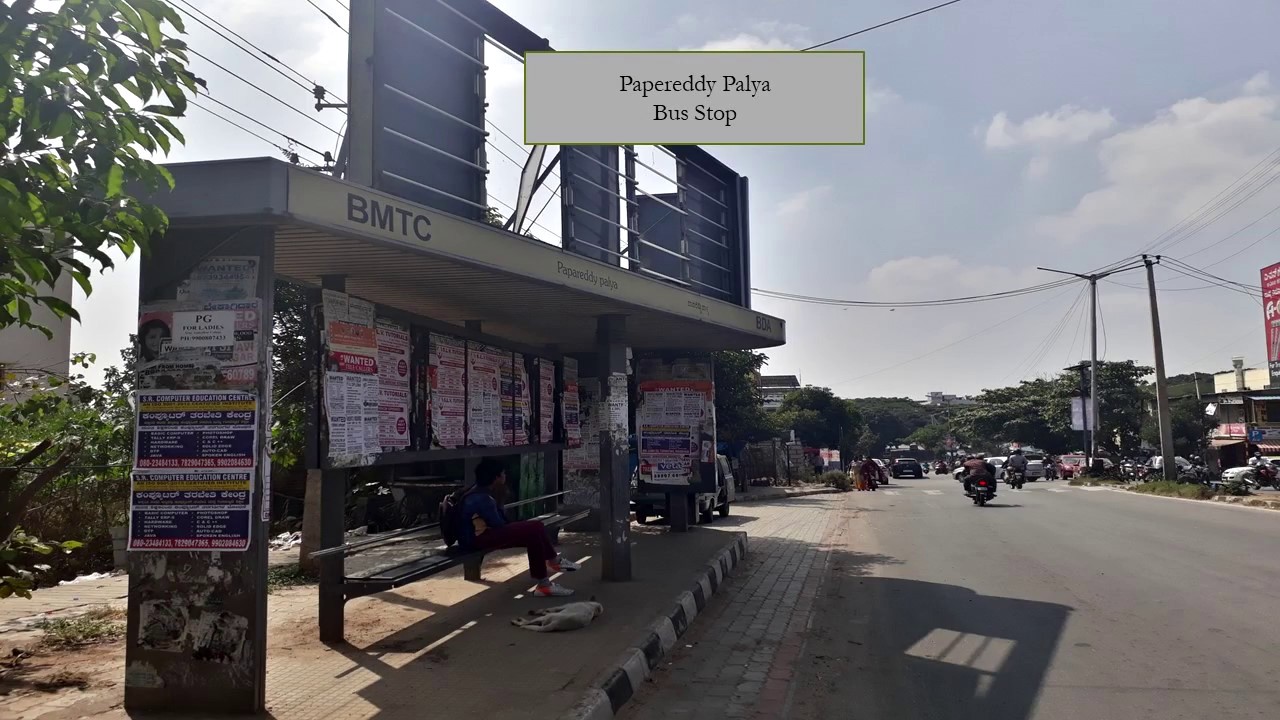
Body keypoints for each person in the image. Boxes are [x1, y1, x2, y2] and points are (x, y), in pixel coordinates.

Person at [456, 458, 580, 597]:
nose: (505, 476)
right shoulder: (482, 498)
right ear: (496, 477)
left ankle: (544, 585)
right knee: (536, 526)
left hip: (480, 536)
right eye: (503, 474)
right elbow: (499, 524)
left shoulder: (481, 491)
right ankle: (554, 561)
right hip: (477, 540)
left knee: (533, 536)